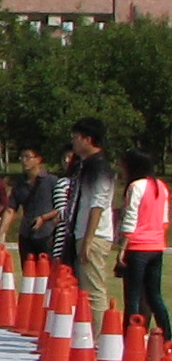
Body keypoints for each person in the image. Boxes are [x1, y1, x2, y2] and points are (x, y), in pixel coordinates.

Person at [67, 119, 118, 319]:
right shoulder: (84, 166)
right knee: (84, 289)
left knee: (93, 291)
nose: (73, 141)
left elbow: (98, 204)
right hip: (81, 231)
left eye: (76, 138)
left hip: (94, 234)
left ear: (88, 140)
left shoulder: (100, 167)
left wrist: (88, 238)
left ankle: (98, 338)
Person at [119, 151, 168, 337]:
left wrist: (122, 248)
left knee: (133, 295)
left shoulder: (135, 186)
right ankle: (167, 334)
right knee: (154, 295)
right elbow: (163, 220)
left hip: (138, 246)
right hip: (156, 245)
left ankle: (130, 335)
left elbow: (131, 219)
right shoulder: (160, 186)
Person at [12, 146, 65, 265]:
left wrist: (44, 218)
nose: (24, 161)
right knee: (28, 272)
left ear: (38, 159)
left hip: (47, 234)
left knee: (46, 273)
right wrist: (1, 233)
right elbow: (10, 209)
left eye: (28, 157)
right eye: (22, 157)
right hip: (26, 234)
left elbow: (61, 207)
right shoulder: (19, 183)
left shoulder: (52, 181)